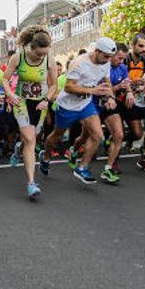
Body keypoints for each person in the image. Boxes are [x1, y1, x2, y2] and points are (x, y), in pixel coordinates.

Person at [43, 37, 117, 185]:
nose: (109, 60)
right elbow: (68, 87)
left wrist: (110, 97)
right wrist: (92, 90)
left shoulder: (106, 62)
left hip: (85, 105)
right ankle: (45, 156)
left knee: (98, 135)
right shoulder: (79, 63)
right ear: (96, 51)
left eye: (110, 57)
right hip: (67, 106)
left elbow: (107, 82)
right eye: (106, 56)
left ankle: (82, 167)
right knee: (56, 136)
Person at [4, 26, 56, 199]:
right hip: (22, 102)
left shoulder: (49, 59)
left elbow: (54, 85)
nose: (42, 57)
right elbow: (4, 79)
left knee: (32, 137)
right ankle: (31, 183)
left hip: (40, 103)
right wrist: (10, 95)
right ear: (31, 47)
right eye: (39, 54)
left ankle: (18, 149)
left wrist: (46, 100)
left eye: (44, 54)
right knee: (31, 139)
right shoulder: (18, 57)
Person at [123, 33, 145, 173]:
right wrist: (135, 86)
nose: (144, 49)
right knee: (137, 133)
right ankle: (126, 139)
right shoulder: (126, 60)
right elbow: (122, 80)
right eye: (141, 46)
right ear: (133, 46)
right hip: (129, 97)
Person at [101, 43, 134, 181]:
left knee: (119, 135)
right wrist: (118, 87)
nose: (121, 61)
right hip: (96, 104)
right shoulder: (102, 67)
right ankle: (74, 149)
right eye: (119, 58)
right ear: (112, 54)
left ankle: (108, 169)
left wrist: (129, 92)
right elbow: (103, 90)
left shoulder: (123, 68)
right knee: (90, 137)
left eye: (123, 58)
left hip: (111, 104)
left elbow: (126, 84)